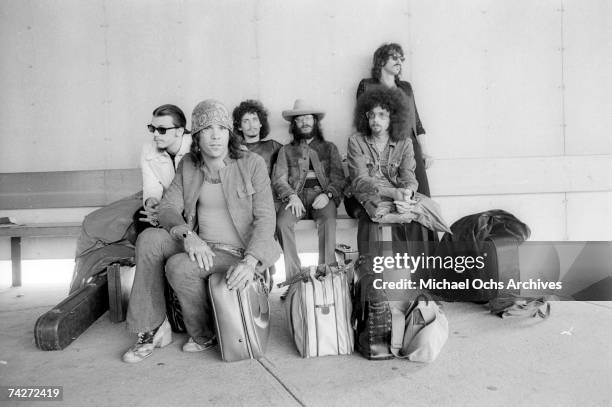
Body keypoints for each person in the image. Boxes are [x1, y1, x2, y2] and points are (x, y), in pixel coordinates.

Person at [122, 100, 280, 363]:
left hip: (239, 252)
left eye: (221, 128)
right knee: (149, 238)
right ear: (196, 135)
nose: (216, 135)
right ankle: (150, 328)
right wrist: (187, 235)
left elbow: (266, 218)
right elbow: (168, 207)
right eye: (207, 129)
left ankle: (204, 333)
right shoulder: (189, 165)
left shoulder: (252, 164)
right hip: (202, 244)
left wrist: (251, 261)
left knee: (179, 266)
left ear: (230, 132)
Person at [272, 100, 345, 298]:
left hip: (322, 196)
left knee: (329, 220)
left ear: (315, 121)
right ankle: (294, 280)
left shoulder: (329, 148)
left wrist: (328, 194)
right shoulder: (286, 151)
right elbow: (278, 179)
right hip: (295, 197)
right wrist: (291, 196)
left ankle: (326, 277)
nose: (304, 122)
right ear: (294, 124)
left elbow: (339, 177)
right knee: (282, 223)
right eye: (300, 119)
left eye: (308, 118)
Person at [347, 86, 428, 257]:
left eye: (382, 115)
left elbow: (408, 176)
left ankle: (410, 275)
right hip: (364, 194)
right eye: (371, 115)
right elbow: (359, 180)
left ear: (393, 117)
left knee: (418, 220)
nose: (375, 119)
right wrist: (392, 193)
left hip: (396, 195)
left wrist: (408, 192)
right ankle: (371, 276)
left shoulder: (405, 142)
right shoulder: (356, 141)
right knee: (369, 221)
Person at [356, 42, 433, 197]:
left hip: (408, 143)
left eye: (400, 58)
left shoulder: (406, 87)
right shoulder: (367, 85)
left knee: (420, 193)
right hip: (380, 144)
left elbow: (415, 121)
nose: (399, 61)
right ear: (381, 61)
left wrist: (424, 151)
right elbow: (362, 121)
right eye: (393, 57)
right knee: (388, 195)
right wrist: (360, 150)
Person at [136, 104, 192, 233]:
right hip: (167, 203)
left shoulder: (195, 147)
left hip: (192, 204)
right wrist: (152, 202)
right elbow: (151, 185)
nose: (155, 134)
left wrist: (168, 212)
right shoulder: (147, 150)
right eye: (152, 128)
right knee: (142, 218)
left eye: (162, 130)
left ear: (179, 131)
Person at [232, 99, 282, 177]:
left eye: (254, 120)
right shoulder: (235, 149)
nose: (251, 125)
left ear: (260, 123)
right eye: (246, 121)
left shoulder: (273, 146)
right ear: (239, 127)